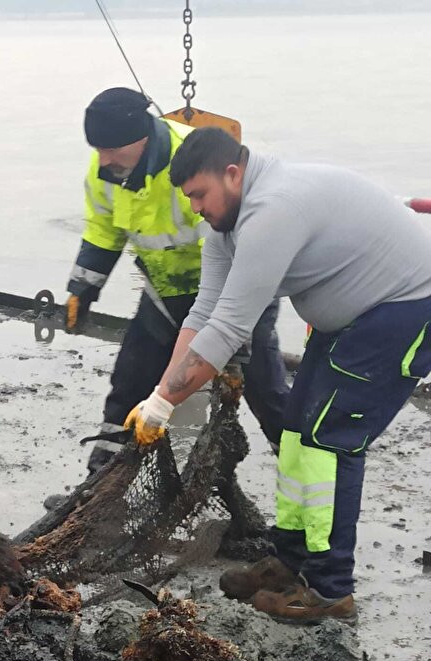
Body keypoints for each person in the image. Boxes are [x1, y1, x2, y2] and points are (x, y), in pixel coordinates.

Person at [123, 126, 431, 622]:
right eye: (188, 198)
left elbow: (226, 331)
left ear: (233, 173)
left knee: (330, 441)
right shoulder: (226, 222)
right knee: (296, 434)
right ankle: (288, 563)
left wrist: (164, 402)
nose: (196, 207)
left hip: (402, 311)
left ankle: (332, 592)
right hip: (348, 320)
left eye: (200, 195)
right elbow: (202, 315)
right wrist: (160, 395)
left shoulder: (273, 212)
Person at [66, 87, 289, 473]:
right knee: (130, 379)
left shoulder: (193, 164)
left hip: (232, 291)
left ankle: (296, 466)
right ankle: (102, 473)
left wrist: (232, 349)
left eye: (112, 149)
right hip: (163, 291)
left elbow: (239, 248)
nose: (103, 159)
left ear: (141, 137)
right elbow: (103, 229)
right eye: (98, 149)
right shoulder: (103, 169)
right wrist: (83, 289)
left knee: (263, 387)